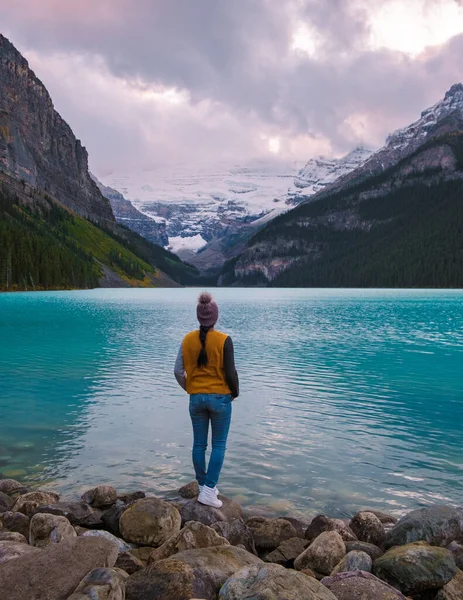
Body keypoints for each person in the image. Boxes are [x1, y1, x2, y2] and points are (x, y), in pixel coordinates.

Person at [174, 292, 239, 508]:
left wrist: (190, 389)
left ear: (198, 317)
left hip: (196, 399)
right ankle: (209, 490)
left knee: (199, 444)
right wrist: (234, 393)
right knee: (218, 445)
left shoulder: (187, 340)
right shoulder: (223, 340)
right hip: (220, 399)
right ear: (215, 318)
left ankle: (203, 486)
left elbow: (177, 371)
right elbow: (231, 373)